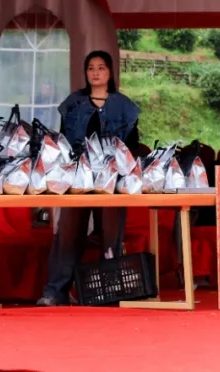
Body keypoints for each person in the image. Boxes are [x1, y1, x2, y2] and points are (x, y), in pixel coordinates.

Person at [37, 50, 141, 306]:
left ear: (110, 72)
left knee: (111, 235)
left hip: (112, 178)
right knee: (68, 233)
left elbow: (132, 145)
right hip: (77, 176)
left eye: (101, 67)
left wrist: (119, 166)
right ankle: (56, 292)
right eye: (91, 68)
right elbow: (63, 139)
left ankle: (110, 292)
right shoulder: (73, 103)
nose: (96, 72)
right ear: (85, 73)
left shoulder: (124, 106)